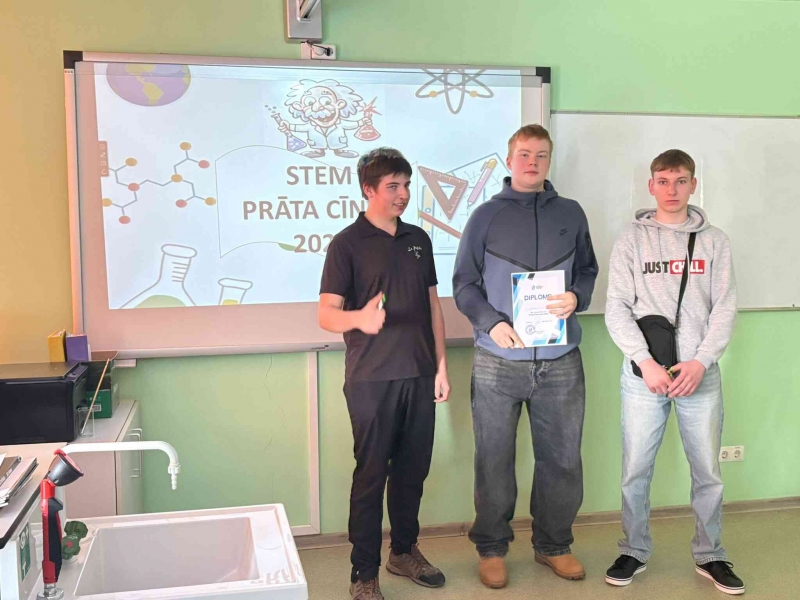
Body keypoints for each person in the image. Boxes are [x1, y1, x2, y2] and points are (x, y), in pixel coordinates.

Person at [453, 124, 598, 588]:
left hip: (561, 361)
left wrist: (577, 296)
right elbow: (464, 284)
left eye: (540, 155)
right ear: (509, 159)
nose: (532, 162)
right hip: (497, 361)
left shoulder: (571, 213)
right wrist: (491, 323)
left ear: (549, 161)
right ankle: (492, 548)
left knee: (562, 460)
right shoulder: (485, 216)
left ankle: (553, 545)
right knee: (493, 460)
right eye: (524, 154)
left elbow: (588, 270)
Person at [604, 149, 744, 595]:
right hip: (644, 378)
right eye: (663, 181)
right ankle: (634, 549)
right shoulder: (631, 239)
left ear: (693, 185)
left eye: (680, 181)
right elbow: (616, 308)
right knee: (635, 469)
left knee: (707, 471)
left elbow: (724, 308)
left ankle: (710, 554)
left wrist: (701, 361)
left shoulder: (715, 241)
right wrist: (644, 362)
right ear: (651, 186)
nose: (671, 189)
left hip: (698, 376)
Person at [318, 147, 450, 600]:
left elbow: (433, 306)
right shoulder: (346, 244)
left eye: (407, 185)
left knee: (412, 471)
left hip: (419, 373)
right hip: (371, 379)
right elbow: (326, 314)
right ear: (368, 190)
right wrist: (359, 318)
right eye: (393, 186)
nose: (403, 194)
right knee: (371, 475)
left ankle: (404, 552)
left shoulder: (418, 240)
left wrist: (441, 365)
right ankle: (364, 571)